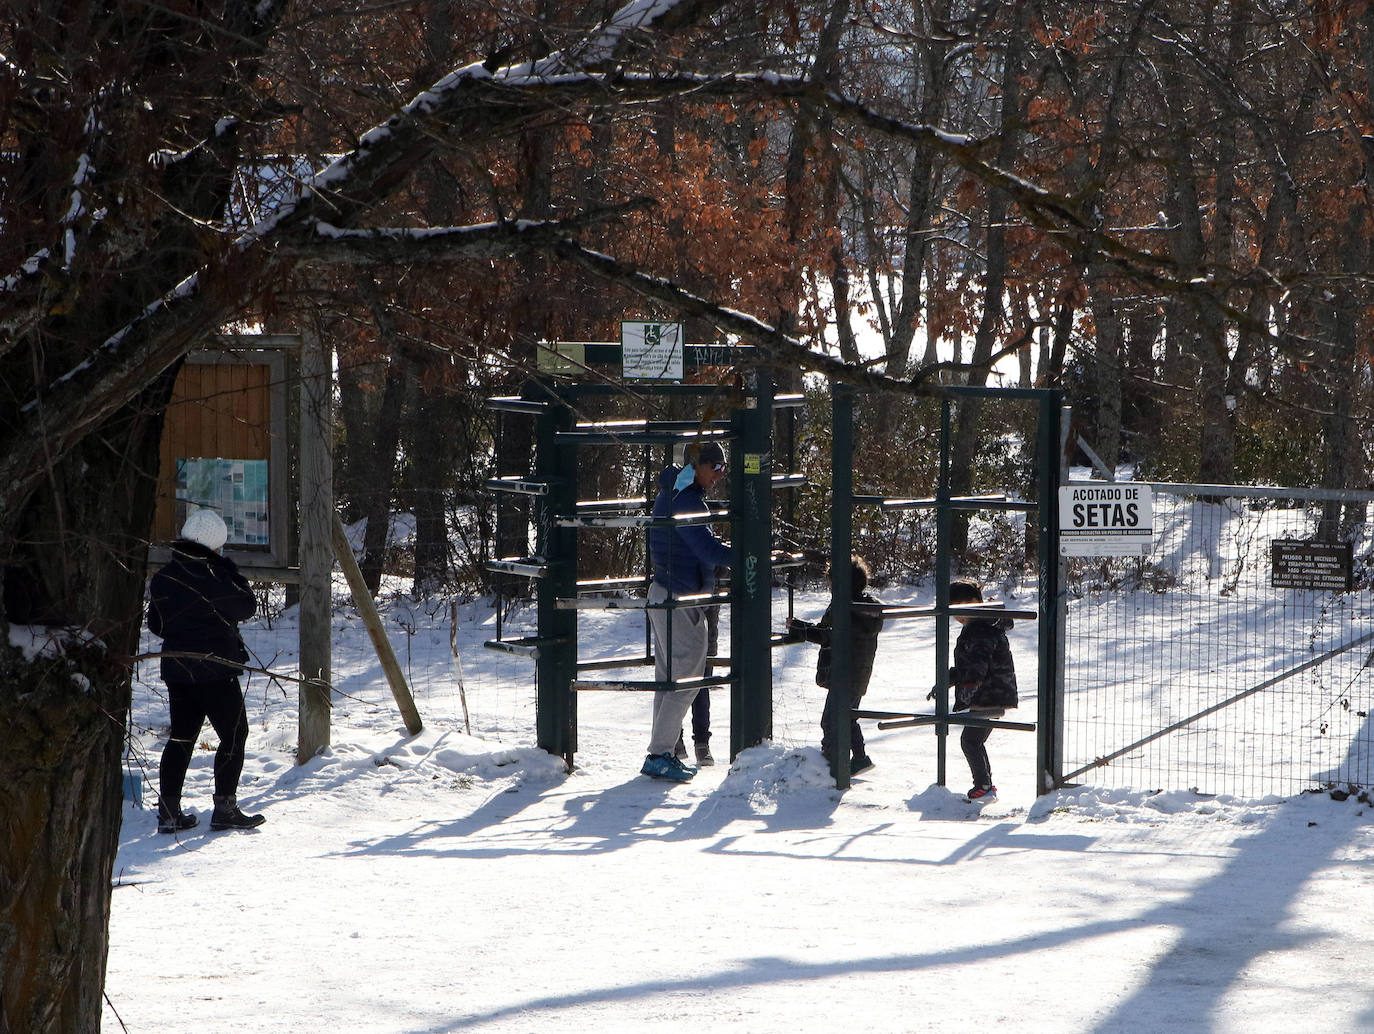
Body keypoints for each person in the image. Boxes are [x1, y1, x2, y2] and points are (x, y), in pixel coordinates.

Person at [147, 508, 265, 832]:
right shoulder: (215, 576)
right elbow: (247, 606)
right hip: (215, 670)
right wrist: (228, 570)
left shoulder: (164, 577)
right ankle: (225, 807)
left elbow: (156, 624)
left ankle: (169, 812)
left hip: (177, 669)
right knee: (234, 734)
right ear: (215, 547)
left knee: (181, 738)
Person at [642, 440, 732, 781]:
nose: (720, 476)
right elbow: (706, 549)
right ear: (699, 466)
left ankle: (662, 750)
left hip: (668, 594)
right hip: (679, 599)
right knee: (689, 678)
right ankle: (660, 751)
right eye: (717, 468)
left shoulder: (676, 493)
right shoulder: (686, 500)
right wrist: (746, 553)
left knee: (669, 678)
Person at [787, 554, 885, 776]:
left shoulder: (847, 609)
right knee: (847, 717)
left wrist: (800, 629)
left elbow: (829, 636)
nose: (829, 587)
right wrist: (801, 627)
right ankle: (859, 758)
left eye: (830, 583)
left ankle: (830, 764)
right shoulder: (861, 609)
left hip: (844, 673)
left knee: (831, 720)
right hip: (857, 673)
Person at [943, 578, 1019, 803]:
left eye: (965, 606)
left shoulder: (980, 628)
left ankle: (984, 786)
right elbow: (969, 665)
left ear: (978, 601)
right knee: (974, 740)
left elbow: (978, 663)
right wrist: (950, 680)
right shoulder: (982, 625)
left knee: (970, 741)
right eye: (955, 611)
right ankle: (985, 784)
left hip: (988, 694)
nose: (960, 615)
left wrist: (968, 687)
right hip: (991, 692)